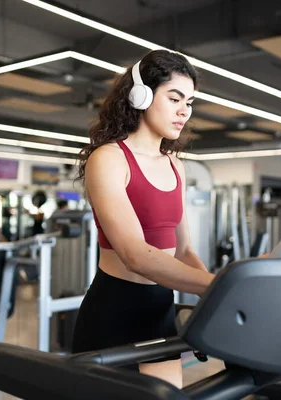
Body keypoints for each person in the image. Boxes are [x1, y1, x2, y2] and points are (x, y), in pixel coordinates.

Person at [71, 50, 215, 389]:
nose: (184, 110)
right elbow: (135, 254)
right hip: (114, 310)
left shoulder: (176, 165)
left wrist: (220, 291)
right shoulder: (109, 159)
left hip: (159, 311)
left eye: (190, 102)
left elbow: (183, 251)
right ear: (142, 95)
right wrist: (220, 285)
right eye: (175, 98)